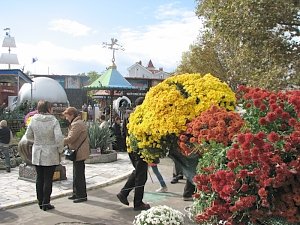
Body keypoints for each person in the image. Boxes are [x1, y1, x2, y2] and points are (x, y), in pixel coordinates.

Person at [24, 100, 64, 211]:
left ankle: (40, 202)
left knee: (39, 178)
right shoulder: (53, 121)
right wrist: (60, 150)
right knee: (48, 179)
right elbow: (59, 138)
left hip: (37, 152)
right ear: (48, 109)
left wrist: (37, 141)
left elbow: (28, 136)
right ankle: (46, 202)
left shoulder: (33, 120)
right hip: (50, 153)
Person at [116, 97, 150, 211]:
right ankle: (138, 203)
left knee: (138, 172)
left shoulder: (127, 116)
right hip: (140, 148)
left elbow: (123, 133)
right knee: (141, 176)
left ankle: (123, 193)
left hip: (131, 148)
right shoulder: (139, 116)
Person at [63, 107, 90, 203]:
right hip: (78, 151)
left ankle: (81, 195)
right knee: (76, 174)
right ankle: (76, 193)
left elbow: (71, 138)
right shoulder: (77, 123)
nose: (66, 119)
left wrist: (59, 141)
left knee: (79, 175)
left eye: (67, 116)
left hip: (79, 152)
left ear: (72, 115)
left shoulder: (77, 124)